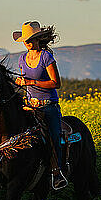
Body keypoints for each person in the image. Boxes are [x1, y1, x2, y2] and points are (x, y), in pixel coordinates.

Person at [13, 21, 68, 190]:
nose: (27, 42)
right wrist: (19, 82)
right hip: (30, 105)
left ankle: (56, 172)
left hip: (48, 106)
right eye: (25, 39)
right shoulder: (22, 58)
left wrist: (31, 82)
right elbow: (23, 81)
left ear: (37, 39)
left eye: (29, 39)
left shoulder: (46, 57)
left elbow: (55, 83)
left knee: (54, 137)